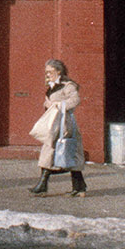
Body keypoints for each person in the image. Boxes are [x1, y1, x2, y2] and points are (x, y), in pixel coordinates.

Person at [28, 58, 86, 196]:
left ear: (58, 71)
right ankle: (80, 187)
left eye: (50, 71)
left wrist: (59, 106)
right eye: (46, 72)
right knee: (69, 154)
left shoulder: (67, 85)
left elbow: (75, 99)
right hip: (55, 123)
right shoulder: (53, 85)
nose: (47, 74)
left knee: (53, 151)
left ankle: (43, 185)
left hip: (64, 124)